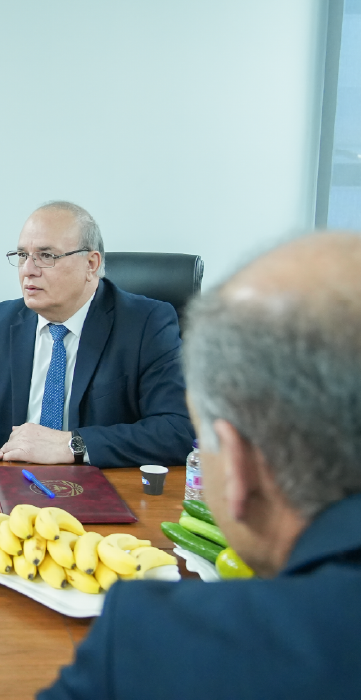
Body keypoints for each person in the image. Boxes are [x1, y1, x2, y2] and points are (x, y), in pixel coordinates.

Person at [40, 232, 361, 699]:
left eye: (47, 254)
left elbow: (169, 430)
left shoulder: (159, 643)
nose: (30, 268)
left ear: (237, 462)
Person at [0, 201, 194, 467]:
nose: (28, 269)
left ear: (91, 263)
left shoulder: (146, 324)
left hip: (102, 492)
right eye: (22, 255)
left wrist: (72, 444)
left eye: (46, 256)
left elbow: (178, 430)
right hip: (10, 486)